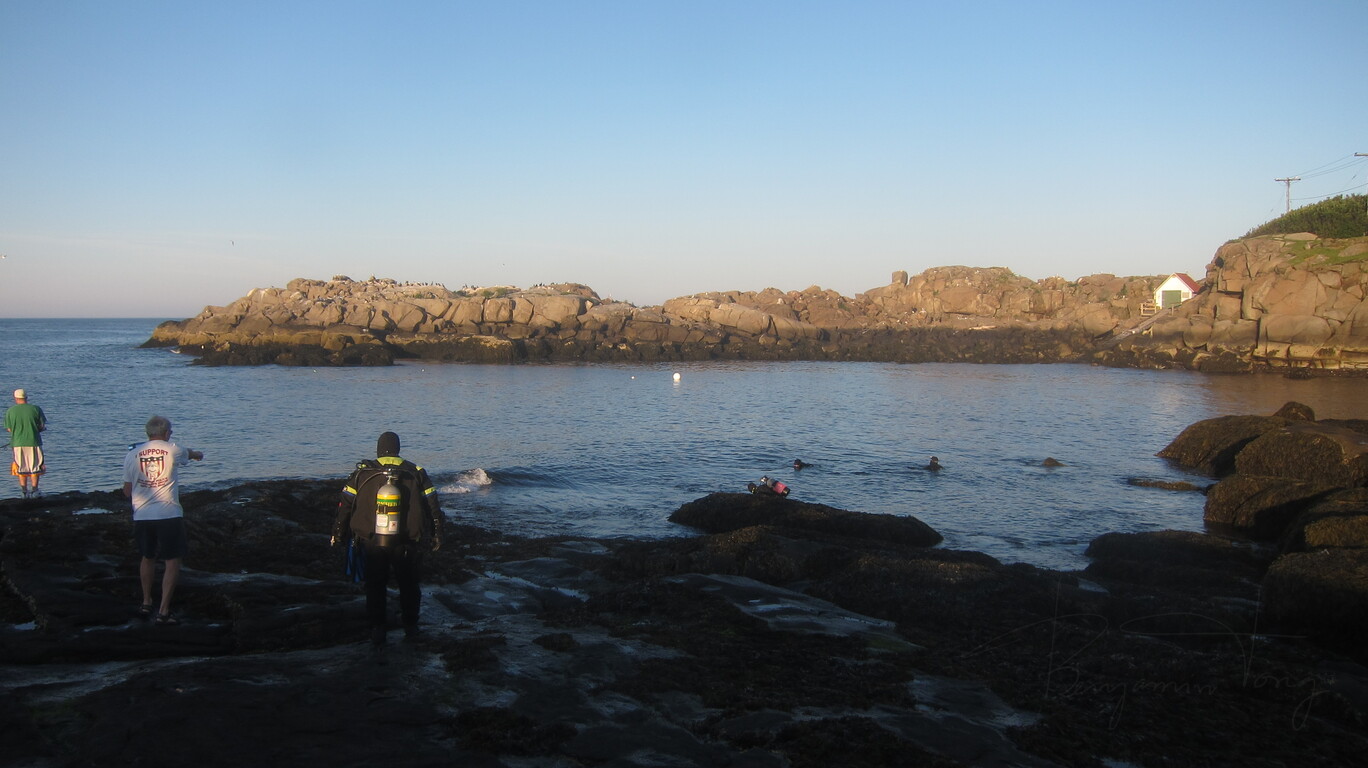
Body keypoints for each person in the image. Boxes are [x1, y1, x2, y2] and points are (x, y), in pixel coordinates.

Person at [332, 431, 443, 647]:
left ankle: (377, 629)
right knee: (409, 584)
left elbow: (345, 505)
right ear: (397, 449)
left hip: (371, 540)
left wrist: (338, 533)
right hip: (406, 540)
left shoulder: (362, 473)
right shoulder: (416, 472)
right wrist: (438, 532)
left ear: (378, 449)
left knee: (375, 585)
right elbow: (433, 506)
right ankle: (411, 627)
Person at [122, 415, 204, 625]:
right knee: (172, 560)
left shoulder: (132, 454)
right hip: (168, 514)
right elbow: (191, 454)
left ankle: (146, 601)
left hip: (142, 515)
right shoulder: (173, 449)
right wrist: (198, 455)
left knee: (147, 557)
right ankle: (164, 610)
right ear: (166, 433)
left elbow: (127, 490)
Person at [5, 388, 47, 499]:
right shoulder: (36, 409)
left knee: (21, 467)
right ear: (26, 397)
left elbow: (9, 429)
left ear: (15, 398)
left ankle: (24, 492)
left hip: (17, 443)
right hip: (34, 442)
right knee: (35, 466)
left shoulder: (10, 411)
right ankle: (35, 491)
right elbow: (41, 426)